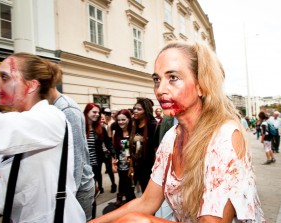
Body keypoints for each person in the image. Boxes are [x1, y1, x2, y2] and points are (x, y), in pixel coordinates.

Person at [90, 42, 264, 222]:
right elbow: (147, 202)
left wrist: (143, 220)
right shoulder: (171, 137)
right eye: (157, 79)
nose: (160, 90)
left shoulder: (225, 136)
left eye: (172, 77)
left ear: (201, 85)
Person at [0, 53, 85, 222]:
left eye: (4, 77)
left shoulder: (51, 117)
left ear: (31, 85)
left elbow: (1, 132)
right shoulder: (17, 119)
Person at [47, 87, 95, 221]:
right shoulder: (55, 107)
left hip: (77, 190)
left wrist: (67, 196)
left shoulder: (66, 109)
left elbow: (76, 157)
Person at [129, 97, 159, 193]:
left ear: (146, 111)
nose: (135, 111)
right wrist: (131, 165)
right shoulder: (134, 126)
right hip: (136, 167)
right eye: (134, 108)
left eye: (139, 109)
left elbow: (156, 150)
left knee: (148, 194)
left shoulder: (154, 126)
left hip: (149, 169)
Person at [111, 109, 135, 206]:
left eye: (123, 119)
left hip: (132, 166)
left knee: (130, 187)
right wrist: (113, 162)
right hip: (121, 165)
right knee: (122, 182)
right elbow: (114, 150)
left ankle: (132, 206)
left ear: (129, 119)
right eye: (119, 120)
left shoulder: (134, 132)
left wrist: (132, 164)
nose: (120, 122)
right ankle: (121, 197)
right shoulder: (116, 133)